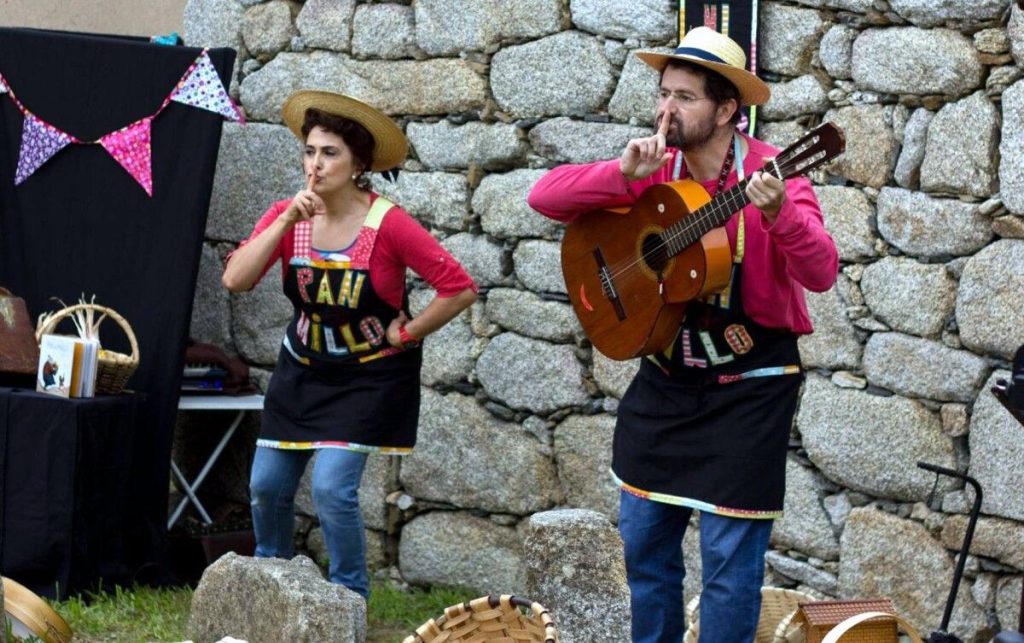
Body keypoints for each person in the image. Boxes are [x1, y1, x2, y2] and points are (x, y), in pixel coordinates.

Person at [528, 27, 839, 643]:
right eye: (663, 93)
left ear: (727, 110)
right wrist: (619, 174)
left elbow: (822, 272)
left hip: (749, 387)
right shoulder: (651, 170)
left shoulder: (776, 174)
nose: (667, 109)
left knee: (727, 565)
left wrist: (778, 215)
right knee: (642, 547)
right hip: (667, 381)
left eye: (686, 97)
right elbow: (544, 196)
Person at [222, 90, 478, 599]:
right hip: (301, 369)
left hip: (368, 377)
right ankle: (268, 593)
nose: (315, 164)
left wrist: (407, 332)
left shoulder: (390, 224)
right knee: (266, 487)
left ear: (359, 163)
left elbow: (460, 288)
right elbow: (236, 280)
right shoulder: (287, 215)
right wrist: (284, 222)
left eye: (330, 153)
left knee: (331, 490)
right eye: (310, 151)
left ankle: (347, 604)